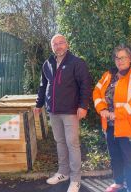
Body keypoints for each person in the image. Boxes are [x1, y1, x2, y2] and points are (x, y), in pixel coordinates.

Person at [34, 34, 92, 192]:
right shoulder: (48, 63)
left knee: (72, 144)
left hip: (70, 111)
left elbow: (85, 85)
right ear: (51, 47)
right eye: (55, 44)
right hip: (53, 111)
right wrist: (38, 104)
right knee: (60, 142)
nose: (58, 46)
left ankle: (75, 179)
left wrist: (83, 106)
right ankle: (63, 172)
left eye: (61, 43)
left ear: (67, 44)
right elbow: (42, 85)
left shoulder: (76, 62)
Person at [93, 45, 131, 192]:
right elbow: (97, 92)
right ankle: (118, 183)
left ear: (129, 59)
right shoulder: (108, 76)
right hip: (110, 126)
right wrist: (102, 109)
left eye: (123, 57)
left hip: (128, 127)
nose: (120, 60)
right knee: (115, 157)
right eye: (117, 57)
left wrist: (117, 114)